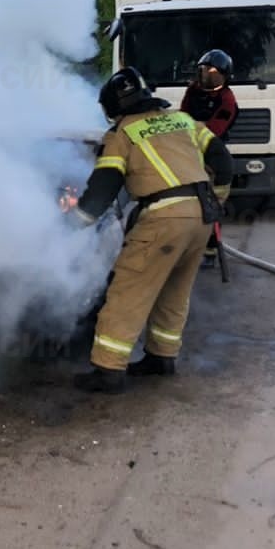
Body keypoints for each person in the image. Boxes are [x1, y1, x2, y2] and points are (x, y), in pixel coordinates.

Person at [69, 67, 234, 394]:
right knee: (175, 288)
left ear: (113, 109)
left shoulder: (122, 134)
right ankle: (162, 357)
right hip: (202, 215)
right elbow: (222, 158)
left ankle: (107, 370)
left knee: (127, 289)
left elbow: (103, 188)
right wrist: (219, 197)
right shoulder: (184, 121)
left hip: (162, 216)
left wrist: (72, 224)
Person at [179, 50, 238, 267]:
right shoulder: (193, 91)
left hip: (214, 157)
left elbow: (215, 130)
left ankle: (210, 251)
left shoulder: (227, 99)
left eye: (211, 71)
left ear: (223, 75)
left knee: (210, 205)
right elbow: (183, 114)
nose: (205, 75)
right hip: (188, 152)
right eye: (202, 70)